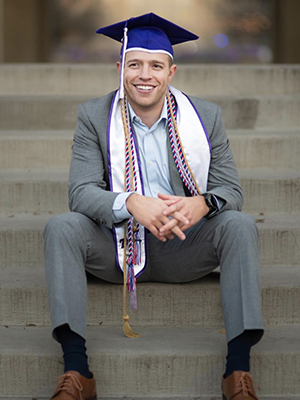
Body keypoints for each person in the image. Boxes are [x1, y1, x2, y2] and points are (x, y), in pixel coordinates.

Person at [44, 12, 264, 400]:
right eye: (135, 65)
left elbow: (230, 190)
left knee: (239, 225)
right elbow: (80, 193)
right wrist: (130, 203)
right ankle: (77, 371)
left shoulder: (205, 117)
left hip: (183, 244)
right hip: (116, 249)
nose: (145, 75)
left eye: (156, 66)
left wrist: (202, 204)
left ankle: (238, 371)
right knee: (61, 226)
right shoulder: (94, 116)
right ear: (120, 68)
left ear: (171, 72)